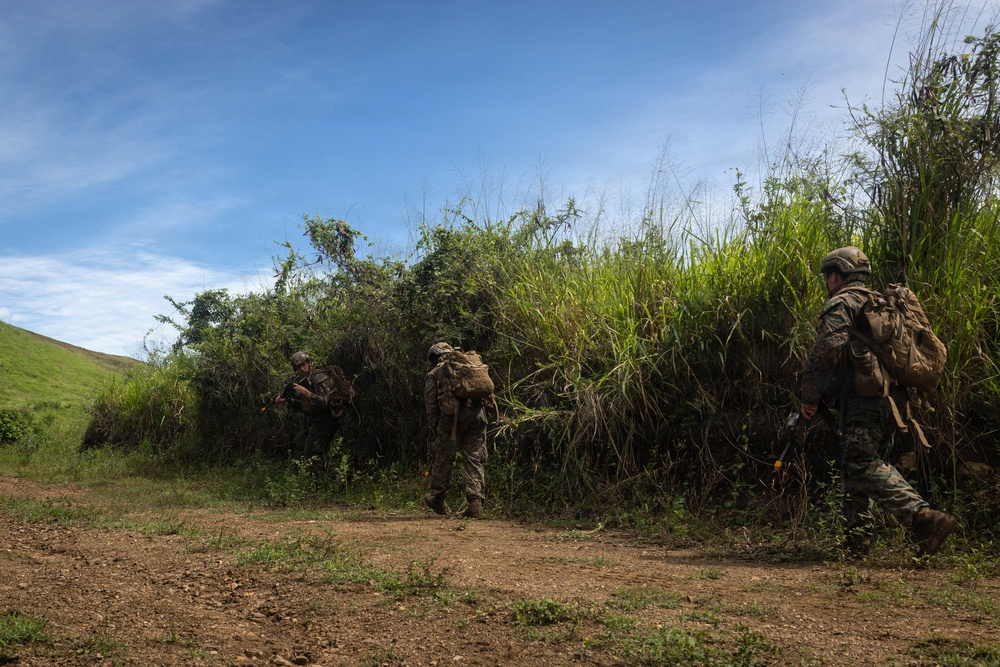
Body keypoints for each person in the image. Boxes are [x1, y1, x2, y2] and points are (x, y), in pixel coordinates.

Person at [799, 246, 956, 556]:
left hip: (865, 400)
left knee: (860, 462)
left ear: (835, 276)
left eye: (827, 276)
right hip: (893, 400)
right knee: (855, 465)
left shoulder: (843, 302)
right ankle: (857, 543)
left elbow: (829, 348)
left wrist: (809, 396)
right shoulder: (879, 303)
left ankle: (924, 518)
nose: (827, 282)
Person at [423, 342, 490, 518]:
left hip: (451, 420)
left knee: (444, 457)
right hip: (477, 416)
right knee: (474, 458)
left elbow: (431, 407)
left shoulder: (434, 374)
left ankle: (437, 498)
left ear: (434, 357)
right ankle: (475, 502)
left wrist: (436, 429)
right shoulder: (467, 366)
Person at [274, 351, 338, 467]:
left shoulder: (319, 377)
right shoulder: (307, 380)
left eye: (303, 365)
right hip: (317, 420)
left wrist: (305, 392)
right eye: (298, 368)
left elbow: (322, 402)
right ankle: (337, 481)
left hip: (327, 419)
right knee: (317, 455)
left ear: (309, 363)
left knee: (311, 456)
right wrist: (287, 399)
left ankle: (325, 482)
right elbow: (305, 407)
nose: (302, 369)